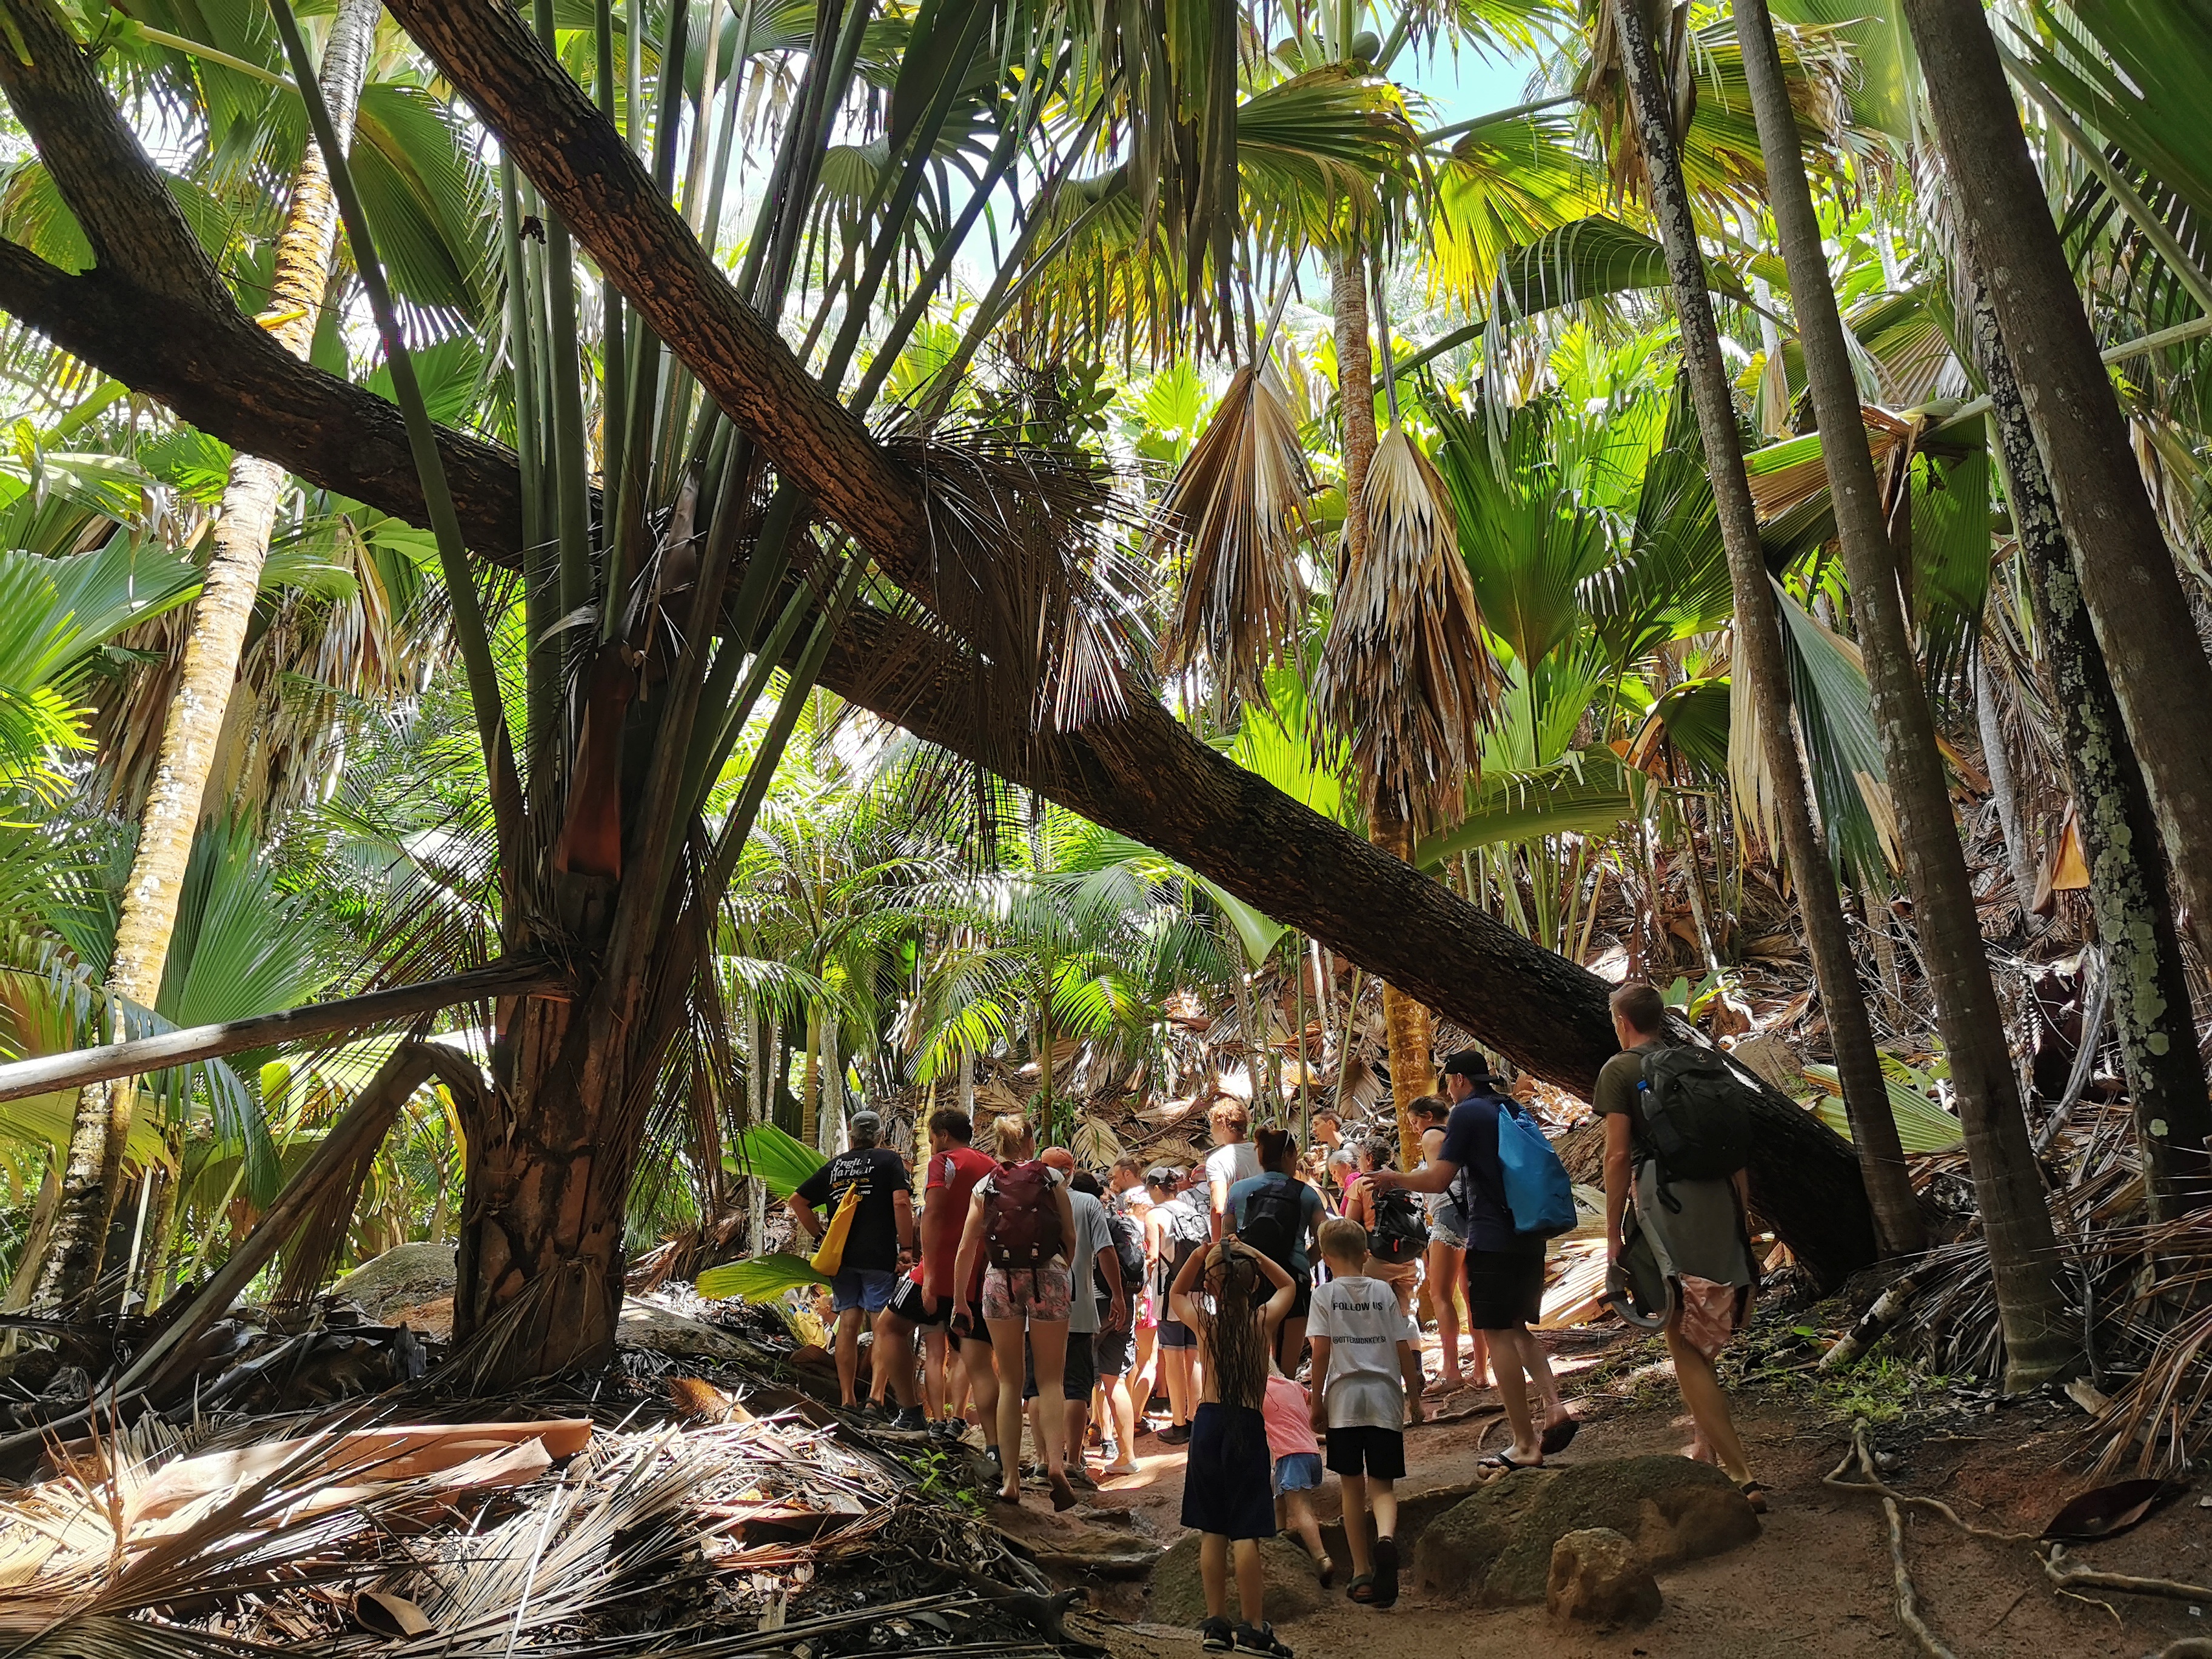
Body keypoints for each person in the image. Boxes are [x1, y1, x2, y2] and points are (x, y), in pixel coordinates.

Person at [1597, 984, 1765, 1510]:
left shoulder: (1621, 1069)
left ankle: (1744, 1477)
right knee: (1701, 1324)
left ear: (1622, 1022)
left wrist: (1611, 1236)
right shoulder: (1700, 1062)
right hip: (1718, 1196)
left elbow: (1617, 1157)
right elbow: (1734, 1148)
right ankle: (1706, 1449)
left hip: (1666, 1200)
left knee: (1683, 1334)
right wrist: (1743, 1216)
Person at [1367, 1053, 1572, 1473]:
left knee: (1496, 1333)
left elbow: (1439, 1179)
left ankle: (1524, 1443)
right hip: (1530, 1231)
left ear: (1458, 1079)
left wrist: (1394, 1178)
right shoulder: (1510, 1107)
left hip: (1494, 1234)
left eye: (1448, 1080)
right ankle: (1555, 1407)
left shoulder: (1466, 1114)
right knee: (1517, 1327)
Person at [1168, 1235, 1299, 1656]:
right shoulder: (1261, 1321)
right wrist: (1256, 1254)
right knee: (1246, 1532)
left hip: (1207, 1424)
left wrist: (1199, 1255)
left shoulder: (1206, 1324)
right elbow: (1290, 1287)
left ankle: (1216, 1624)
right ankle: (1254, 1629)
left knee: (1213, 1529)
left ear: (1211, 1287)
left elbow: (1175, 1291)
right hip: (1246, 1422)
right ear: (1254, 1282)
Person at [952, 1114, 1082, 1510]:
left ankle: (1011, 1480)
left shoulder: (984, 1186)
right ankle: (1056, 1465)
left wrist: (960, 1301)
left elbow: (965, 1249)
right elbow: (1070, 1236)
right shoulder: (1053, 1178)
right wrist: (1060, 1269)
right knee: (1051, 1381)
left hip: (999, 1282)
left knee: (1010, 1381)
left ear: (999, 1144)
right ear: (1030, 1141)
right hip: (1050, 1278)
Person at [1307, 1215, 1421, 1610]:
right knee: (1383, 1486)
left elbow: (1320, 1353)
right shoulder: (1384, 1292)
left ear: (1325, 1256)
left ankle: (1360, 1573)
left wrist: (1315, 1399)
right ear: (1366, 1253)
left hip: (1344, 1402)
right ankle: (1386, 1538)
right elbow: (1404, 1346)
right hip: (1385, 1397)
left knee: (1352, 1489)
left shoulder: (1323, 1296)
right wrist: (1416, 1398)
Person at [876, 1107, 995, 1435]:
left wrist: (927, 1276)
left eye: (931, 1138)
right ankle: (995, 1445)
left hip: (940, 1266)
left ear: (943, 1135)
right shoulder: (993, 1167)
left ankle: (911, 1411)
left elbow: (933, 1216)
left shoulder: (944, 1162)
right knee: (975, 1357)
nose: (932, 1144)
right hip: (977, 1273)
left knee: (889, 1326)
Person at [788, 1108, 914, 1409]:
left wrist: (821, 1237)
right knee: (881, 1325)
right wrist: (907, 1247)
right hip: (878, 1256)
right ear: (880, 1135)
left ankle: (847, 1399)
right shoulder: (888, 1161)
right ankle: (875, 1398)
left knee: (847, 1323)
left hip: (842, 1258)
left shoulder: (835, 1167)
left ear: (852, 1134)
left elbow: (798, 1202)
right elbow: (901, 1201)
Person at [1025, 1148, 1125, 1489]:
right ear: (1069, 1171)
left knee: (1037, 1385)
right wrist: (1118, 1295)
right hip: (1077, 1307)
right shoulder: (1086, 1202)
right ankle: (1070, 1462)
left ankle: (1041, 1461)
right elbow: (1105, 1251)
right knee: (1075, 1386)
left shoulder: (1024, 1198)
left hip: (1032, 1307)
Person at [1228, 1126, 1325, 1371]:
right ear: (1290, 1154)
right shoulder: (1307, 1194)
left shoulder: (1237, 1190)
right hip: (1294, 1279)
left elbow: (1226, 1241)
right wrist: (1304, 1261)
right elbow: (1326, 1239)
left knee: (1253, 1365)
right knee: (1286, 1369)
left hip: (1249, 1278)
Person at [1412, 1094, 1484, 1398]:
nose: (1415, 1129)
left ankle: (1451, 1370)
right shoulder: (1458, 1135)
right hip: (1474, 1215)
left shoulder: (1432, 1136)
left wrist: (1397, 1179)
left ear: (1428, 1116)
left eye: (1415, 1121)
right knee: (1471, 1296)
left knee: (1440, 1293)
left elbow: (1436, 1180)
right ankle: (1480, 1370)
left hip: (1448, 1216)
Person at [1145, 1165, 1211, 1446]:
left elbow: (1151, 1257)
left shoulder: (1155, 1215)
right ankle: (1197, 1419)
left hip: (1169, 1294)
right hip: (1198, 1293)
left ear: (1158, 1189)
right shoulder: (1192, 1211)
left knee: (1172, 1358)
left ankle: (1179, 1423)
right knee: (1194, 1356)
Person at [1090, 1173, 1147, 1476]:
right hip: (1125, 1303)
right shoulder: (1122, 1220)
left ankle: (1070, 1457)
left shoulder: (1088, 1218)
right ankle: (1127, 1456)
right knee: (1116, 1381)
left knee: (1077, 1380)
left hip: (1096, 1306)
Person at [1264, 1360, 1330, 1586]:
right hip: (1310, 1453)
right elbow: (1314, 1400)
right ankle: (1280, 1534)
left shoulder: (1258, 1394)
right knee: (1278, 1493)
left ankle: (1321, 1557)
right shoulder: (1293, 1386)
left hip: (1291, 1456)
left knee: (1301, 1508)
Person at [1341, 1136, 1421, 1316]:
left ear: (1369, 1158)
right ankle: (1411, 1344)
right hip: (1408, 1257)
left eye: (1360, 1156)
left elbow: (1350, 1226)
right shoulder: (1404, 1181)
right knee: (1406, 1314)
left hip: (1376, 1258)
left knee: (1374, 1313)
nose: (1358, 1161)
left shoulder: (1362, 1184)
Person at [1204, 1101, 1261, 1241]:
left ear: (1223, 1125)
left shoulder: (1217, 1160)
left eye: (1213, 1126)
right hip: (1271, 1229)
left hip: (1239, 1237)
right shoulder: (1262, 1152)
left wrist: (1217, 1247)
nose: (1211, 1131)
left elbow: (1219, 1207)